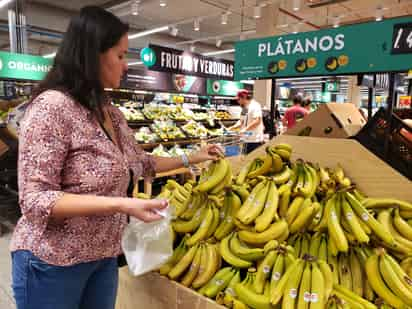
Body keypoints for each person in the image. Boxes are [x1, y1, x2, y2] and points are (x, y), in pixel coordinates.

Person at [10, 6, 222, 309]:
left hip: (103, 258)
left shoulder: (110, 112)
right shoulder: (51, 108)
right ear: (92, 53)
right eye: (120, 56)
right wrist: (122, 204)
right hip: (52, 262)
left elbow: (142, 162)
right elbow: (35, 200)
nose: (126, 66)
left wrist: (192, 158)